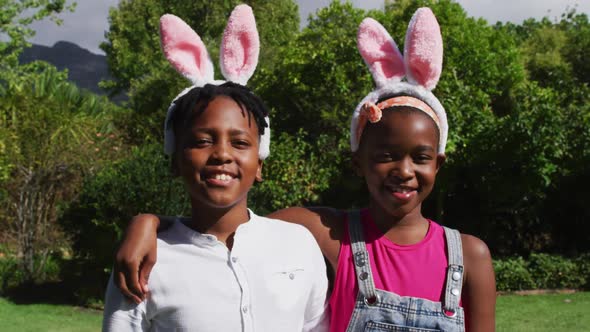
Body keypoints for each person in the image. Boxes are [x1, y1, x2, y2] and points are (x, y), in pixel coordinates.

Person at [114, 7, 496, 331]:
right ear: (357, 162)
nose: (404, 170)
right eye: (385, 155)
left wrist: (147, 223)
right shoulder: (324, 234)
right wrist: (147, 223)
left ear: (439, 162)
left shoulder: (469, 256)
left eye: (421, 157)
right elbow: (225, 225)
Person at [102, 5, 329, 331]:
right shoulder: (144, 261)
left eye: (239, 143)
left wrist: (146, 221)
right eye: (201, 141)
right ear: (175, 161)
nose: (222, 154)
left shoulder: (298, 244)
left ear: (260, 162)